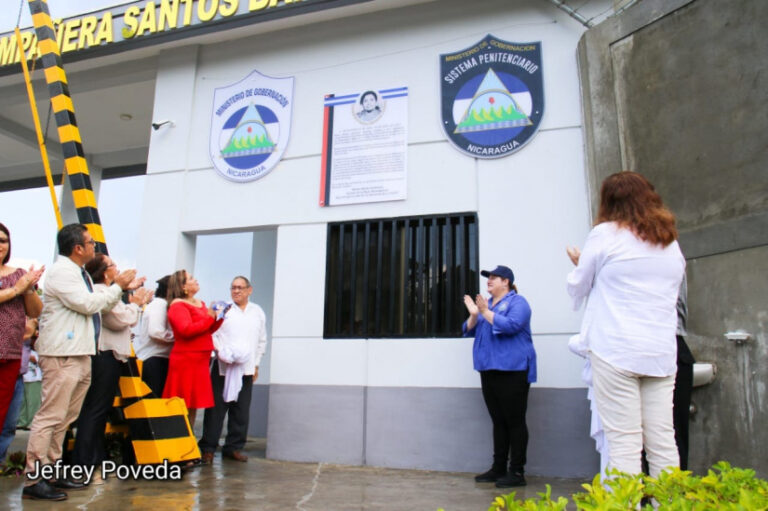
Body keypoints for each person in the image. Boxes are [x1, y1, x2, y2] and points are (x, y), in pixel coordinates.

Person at [566, 171, 685, 478]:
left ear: (608, 201)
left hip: (616, 349)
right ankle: (670, 503)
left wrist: (581, 266)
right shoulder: (669, 240)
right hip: (660, 352)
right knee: (662, 440)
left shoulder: (605, 233)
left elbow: (579, 285)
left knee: (624, 444)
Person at [22, 224, 136, 501]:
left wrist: (115, 291)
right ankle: (35, 478)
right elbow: (86, 304)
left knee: (65, 418)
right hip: (62, 353)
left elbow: (96, 301)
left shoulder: (80, 272)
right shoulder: (62, 272)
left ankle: (50, 471)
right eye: (91, 243)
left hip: (79, 353)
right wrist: (118, 288)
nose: (94, 247)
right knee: (51, 416)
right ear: (77, 248)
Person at [72, 253, 152, 483]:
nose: (117, 268)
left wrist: (133, 303)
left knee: (100, 410)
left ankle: (93, 460)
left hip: (112, 356)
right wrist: (135, 305)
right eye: (113, 265)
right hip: (104, 355)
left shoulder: (110, 293)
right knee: (95, 410)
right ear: (104, 271)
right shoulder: (100, 292)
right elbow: (120, 320)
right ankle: (84, 463)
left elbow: (124, 314)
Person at [463, 265, 536, 488]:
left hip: (512, 370)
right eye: (488, 277)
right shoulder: (487, 305)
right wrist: (475, 315)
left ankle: (517, 472)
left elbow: (512, 326)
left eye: (494, 277)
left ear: (506, 281)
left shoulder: (518, 303)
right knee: (498, 421)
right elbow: (467, 329)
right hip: (489, 369)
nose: (489, 280)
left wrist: (485, 312)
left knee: (514, 421)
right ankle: (498, 468)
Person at [199, 276, 268, 464]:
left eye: (240, 288)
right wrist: (222, 352)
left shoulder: (258, 312)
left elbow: (261, 341)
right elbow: (211, 332)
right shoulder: (223, 308)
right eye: (233, 288)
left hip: (245, 369)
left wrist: (256, 364)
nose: (236, 291)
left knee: (241, 411)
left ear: (249, 290)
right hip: (223, 367)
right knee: (215, 410)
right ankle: (208, 448)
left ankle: (234, 447)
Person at [163, 270, 223, 430]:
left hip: (201, 360)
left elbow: (207, 329)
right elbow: (186, 330)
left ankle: (189, 441)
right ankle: (179, 441)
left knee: (194, 403)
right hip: (186, 359)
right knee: (182, 403)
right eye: (191, 278)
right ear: (183, 286)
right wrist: (210, 317)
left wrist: (219, 317)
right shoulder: (177, 305)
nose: (196, 280)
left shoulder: (200, 303)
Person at [0, 222, 44, 430]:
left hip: (10, 353)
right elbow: (14, 291)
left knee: (3, 415)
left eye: (3, 241)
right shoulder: (17, 282)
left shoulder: (18, 274)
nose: (0, 245)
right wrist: (16, 290)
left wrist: (28, 289)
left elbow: (35, 312)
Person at [134, 275, 174, 397]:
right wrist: (177, 338)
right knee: (153, 401)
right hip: (154, 359)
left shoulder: (161, 305)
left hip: (158, 359)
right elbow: (156, 332)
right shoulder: (160, 305)